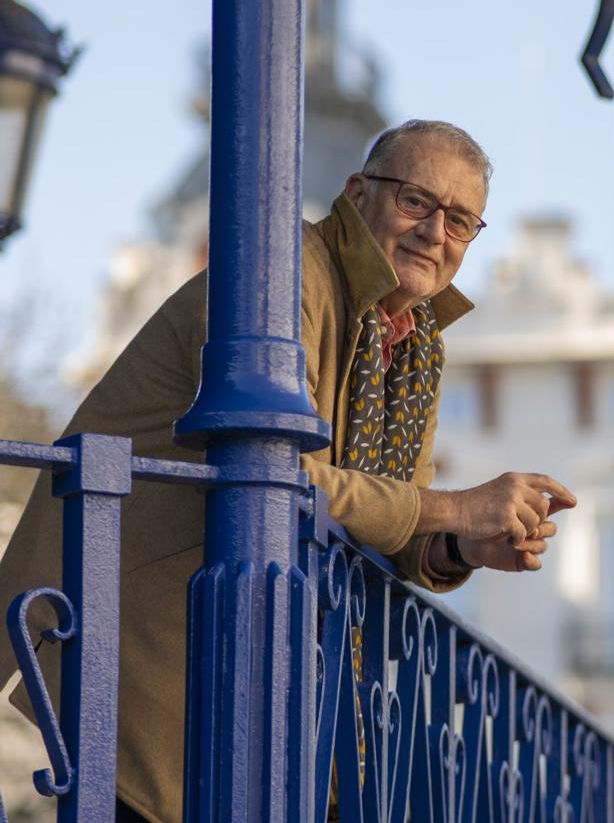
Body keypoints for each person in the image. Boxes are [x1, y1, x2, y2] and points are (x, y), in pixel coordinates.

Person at [0, 119, 576, 823]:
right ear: (358, 192)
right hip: (154, 658)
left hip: (273, 680)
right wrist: (453, 510)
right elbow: (280, 481)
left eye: (460, 220)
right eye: (417, 202)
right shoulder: (275, 278)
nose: (435, 233)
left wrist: (458, 545)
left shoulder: (415, 341)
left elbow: (391, 513)